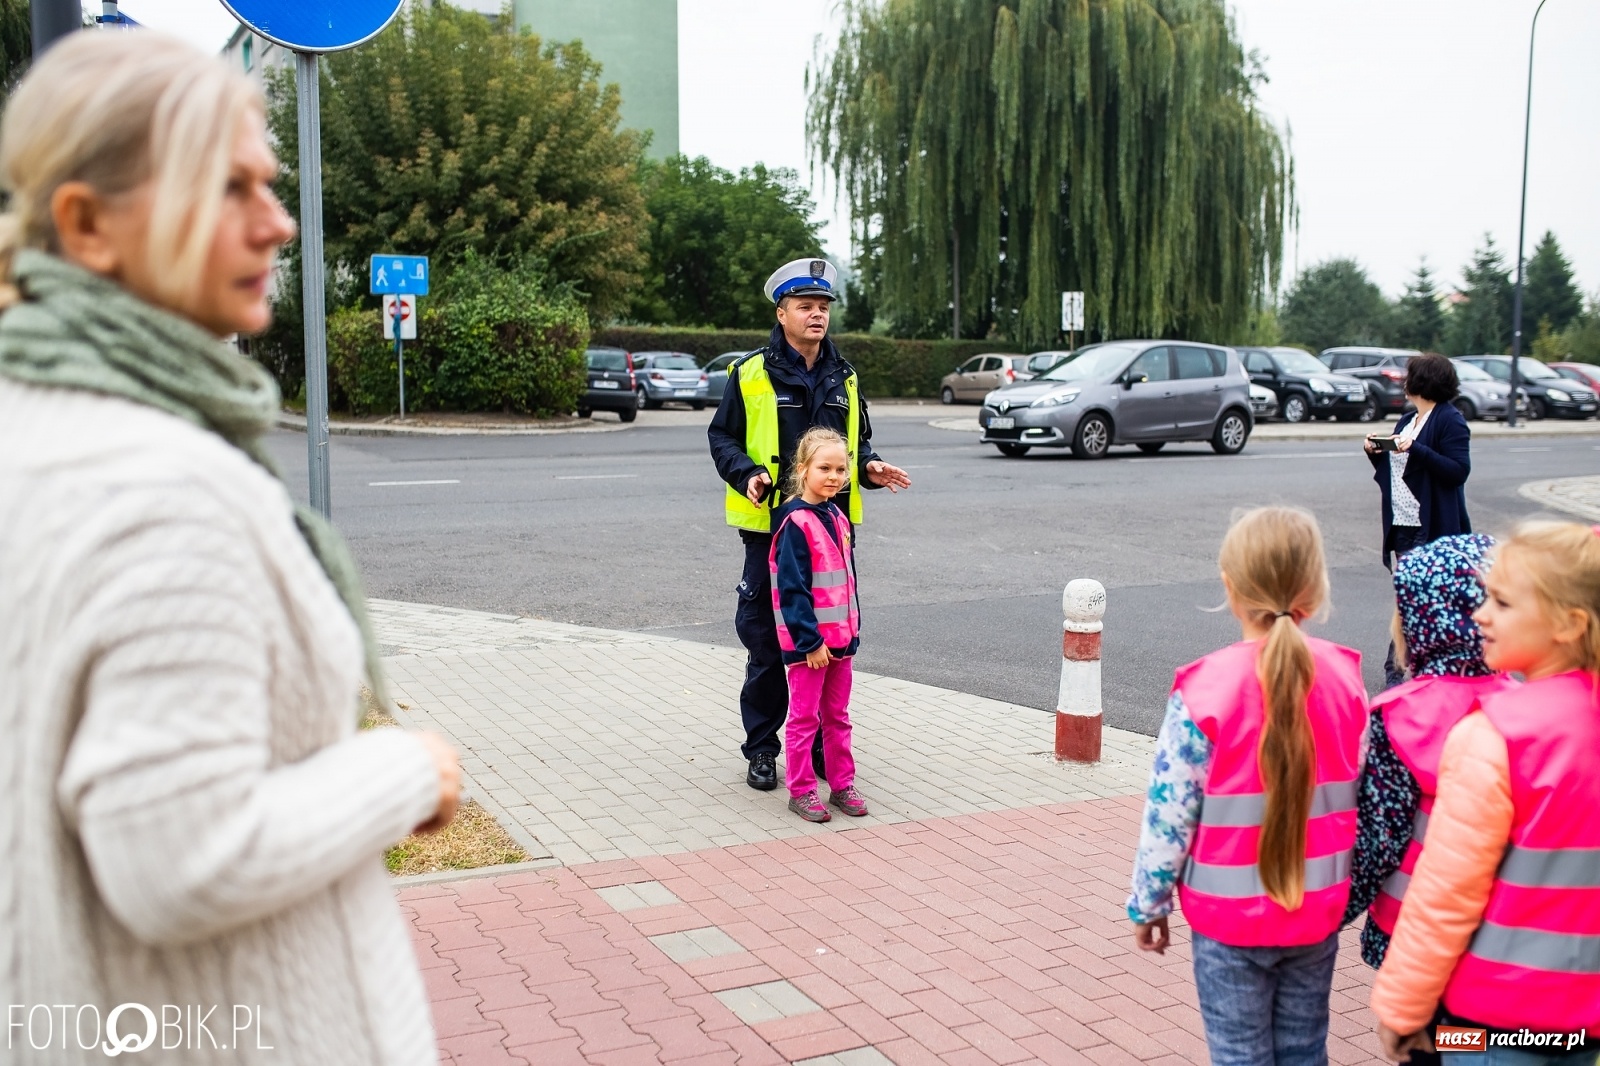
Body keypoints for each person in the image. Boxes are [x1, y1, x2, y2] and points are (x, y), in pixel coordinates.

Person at [0, 34, 459, 1064]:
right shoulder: (161, 485)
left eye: (272, 182)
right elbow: (180, 855)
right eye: (228, 188)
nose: (277, 220)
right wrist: (406, 770)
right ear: (87, 223)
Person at [1128, 506, 1369, 1066]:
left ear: (1229, 585)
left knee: (1240, 1054)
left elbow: (1170, 812)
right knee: (1305, 1049)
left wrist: (1150, 903)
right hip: (1316, 908)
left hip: (1226, 916)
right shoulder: (1345, 680)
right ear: (1315, 587)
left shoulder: (1204, 689)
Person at [1371, 521, 1600, 1065]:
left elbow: (1446, 893)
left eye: (1501, 601)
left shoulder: (1494, 735)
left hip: (1490, 1029)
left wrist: (1403, 1011)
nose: (1481, 615)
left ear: (1568, 624)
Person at [708, 258, 910, 792]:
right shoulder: (749, 372)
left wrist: (869, 466)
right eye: (806, 307)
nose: (817, 315)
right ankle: (764, 749)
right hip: (770, 529)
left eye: (823, 307)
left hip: (831, 533)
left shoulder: (844, 375)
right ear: (782, 313)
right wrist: (747, 474)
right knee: (770, 646)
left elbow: (853, 443)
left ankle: (820, 749)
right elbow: (721, 438)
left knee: (829, 644)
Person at [1341, 535, 1515, 1066]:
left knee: (1437, 1043)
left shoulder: (1400, 716)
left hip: (1414, 932)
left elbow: (1378, 841)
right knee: (1492, 1040)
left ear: (1419, 622)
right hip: (1507, 932)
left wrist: (1332, 912)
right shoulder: (1524, 703)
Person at [770, 427, 870, 822]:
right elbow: (792, 589)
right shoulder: (795, 521)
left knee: (838, 716)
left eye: (841, 469)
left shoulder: (837, 516)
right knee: (804, 718)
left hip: (841, 641)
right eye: (824, 467)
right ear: (802, 469)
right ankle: (802, 790)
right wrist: (809, 641)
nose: (833, 476)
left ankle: (842, 783)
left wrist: (851, 632)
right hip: (809, 646)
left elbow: (845, 579)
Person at [1365, 353, 1472, 688]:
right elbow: (1399, 473)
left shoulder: (1449, 420)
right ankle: (1407, 668)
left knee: (1420, 600)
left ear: (1423, 381)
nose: (1404, 381)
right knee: (1410, 598)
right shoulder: (1407, 420)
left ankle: (1399, 670)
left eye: (1409, 376)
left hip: (1432, 525)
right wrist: (1375, 452)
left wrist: (1416, 449)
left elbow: (1458, 471)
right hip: (1404, 524)